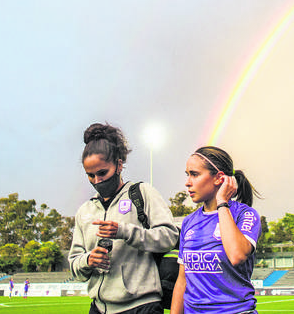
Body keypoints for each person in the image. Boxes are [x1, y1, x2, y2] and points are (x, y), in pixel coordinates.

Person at [69, 123, 180, 314]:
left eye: (102, 173)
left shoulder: (142, 193)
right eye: (90, 175)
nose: (97, 181)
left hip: (141, 306)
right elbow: (74, 265)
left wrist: (124, 231)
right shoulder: (84, 211)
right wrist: (88, 260)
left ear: (119, 165)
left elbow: (169, 236)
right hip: (98, 308)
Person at [170, 146, 261, 314]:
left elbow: (237, 255)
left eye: (195, 174)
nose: (187, 182)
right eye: (187, 174)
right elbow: (182, 281)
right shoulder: (189, 221)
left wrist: (222, 203)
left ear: (219, 178)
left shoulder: (245, 214)